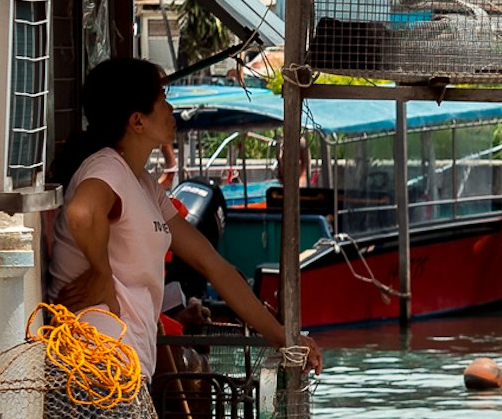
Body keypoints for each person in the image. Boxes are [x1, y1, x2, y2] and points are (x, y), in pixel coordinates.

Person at [48, 58, 318, 372]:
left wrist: (284, 337)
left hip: (122, 364)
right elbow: (82, 212)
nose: (171, 109)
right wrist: (100, 272)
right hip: (92, 361)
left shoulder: (145, 185)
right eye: (163, 100)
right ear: (138, 121)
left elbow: (215, 267)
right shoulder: (105, 166)